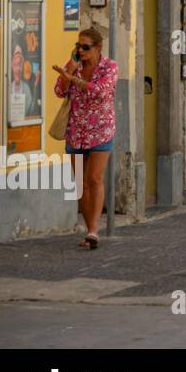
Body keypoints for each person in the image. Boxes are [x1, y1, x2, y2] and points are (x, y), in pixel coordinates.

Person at [51, 28, 118, 249]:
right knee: (81, 183)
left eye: (85, 47)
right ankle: (90, 232)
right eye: (78, 46)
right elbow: (60, 91)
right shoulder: (74, 66)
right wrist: (69, 70)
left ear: (98, 48)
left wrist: (75, 80)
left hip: (100, 130)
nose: (80, 50)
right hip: (76, 130)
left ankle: (94, 230)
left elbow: (100, 90)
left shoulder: (110, 67)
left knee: (94, 178)